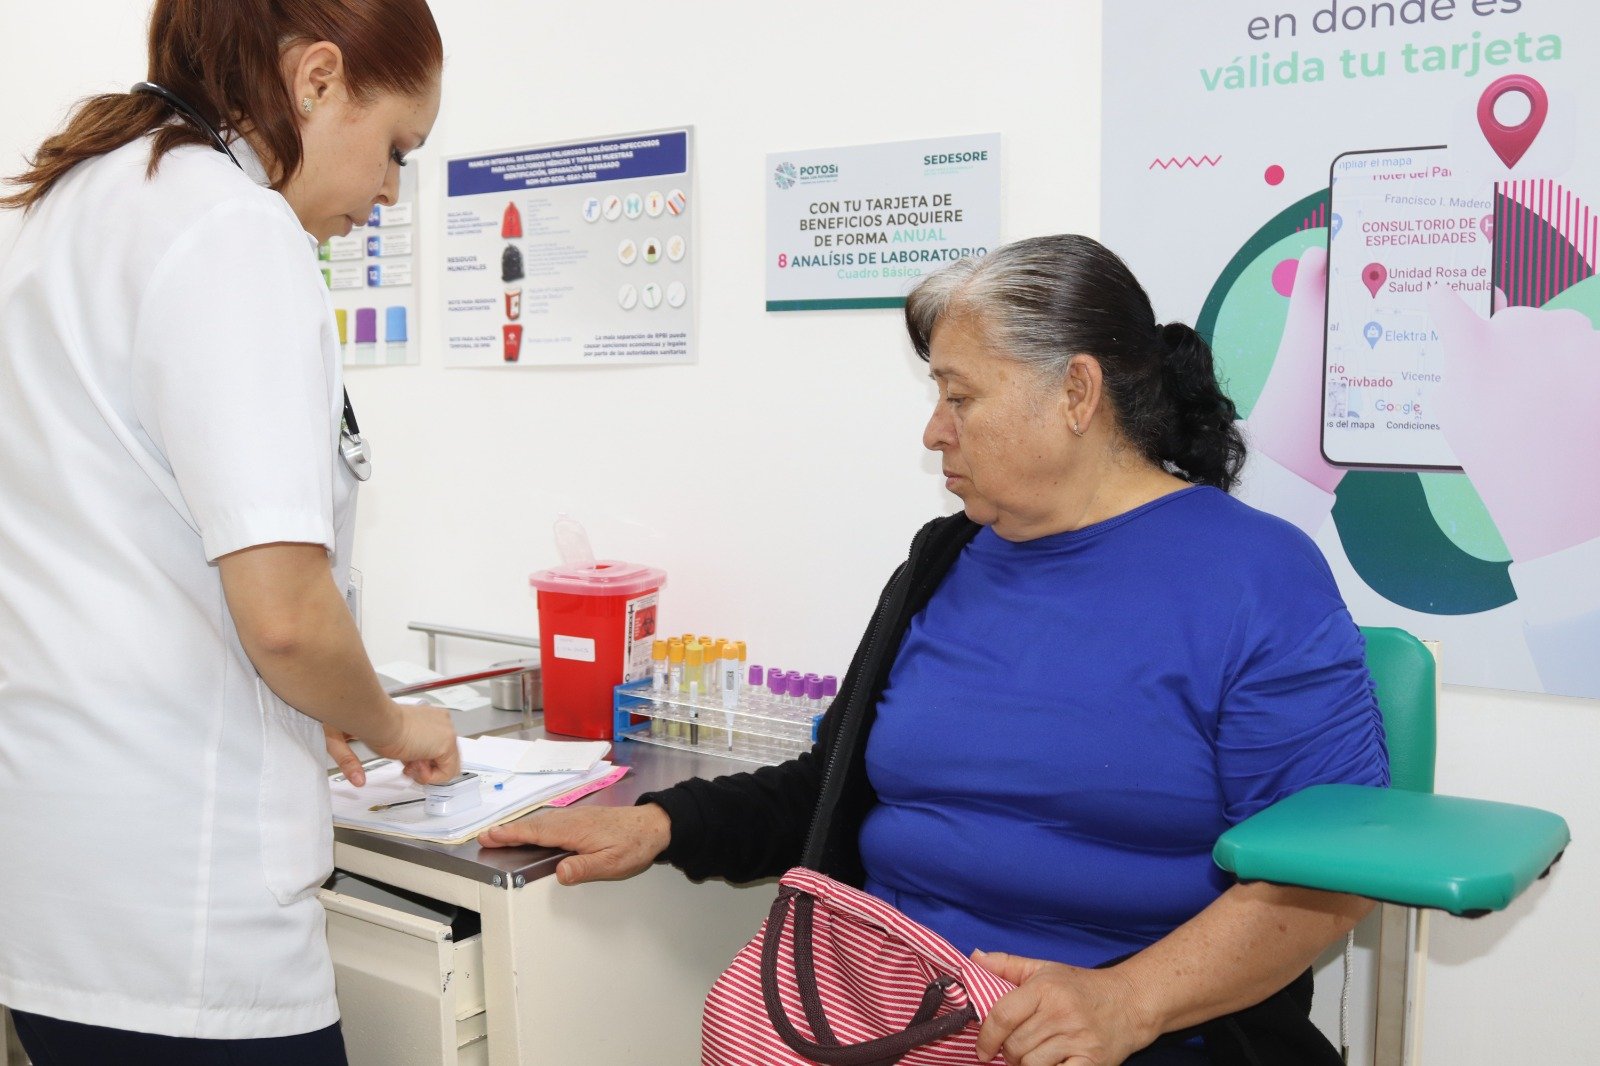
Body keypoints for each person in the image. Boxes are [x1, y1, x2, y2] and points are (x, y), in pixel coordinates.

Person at [480, 235, 1390, 1065]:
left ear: (1076, 393)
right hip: (895, 1015)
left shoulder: (1257, 577)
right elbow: (826, 791)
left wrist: (1129, 1002)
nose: (934, 431)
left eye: (961, 397)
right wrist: (660, 823)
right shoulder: (944, 560)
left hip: (1132, 1037)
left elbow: (1328, 880)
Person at [0, 2, 458, 1061]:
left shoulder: (86, 201)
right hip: (185, 910)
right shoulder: (230, 228)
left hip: (63, 874)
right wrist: (393, 726)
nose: (391, 190)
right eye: (395, 147)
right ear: (316, 80)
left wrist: (321, 705)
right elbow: (286, 615)